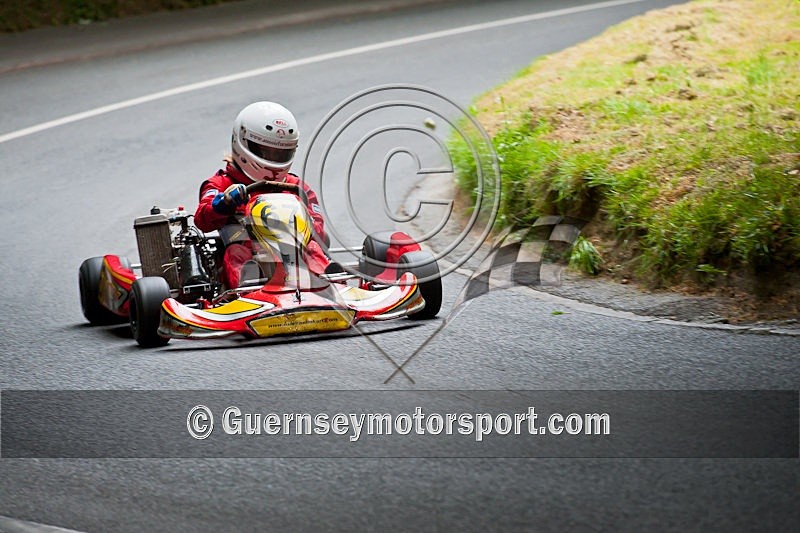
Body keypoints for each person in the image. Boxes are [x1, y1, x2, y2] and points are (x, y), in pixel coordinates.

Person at [194, 101, 336, 288]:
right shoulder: (221, 184)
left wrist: (309, 228)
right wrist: (224, 203)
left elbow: (317, 224)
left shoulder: (295, 186)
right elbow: (202, 219)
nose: (273, 160)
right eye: (266, 152)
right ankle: (247, 288)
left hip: (293, 247)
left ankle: (327, 280)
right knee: (237, 252)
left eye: (280, 154)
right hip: (248, 247)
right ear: (243, 143)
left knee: (313, 247)